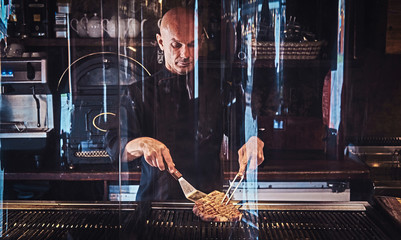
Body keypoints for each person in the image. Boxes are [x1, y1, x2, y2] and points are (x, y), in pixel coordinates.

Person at [106, 7, 264, 201]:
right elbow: (114, 147)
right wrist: (141, 144)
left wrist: (252, 142)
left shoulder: (219, 90)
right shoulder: (137, 93)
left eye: (192, 44)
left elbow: (244, 130)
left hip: (209, 200)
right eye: (176, 45)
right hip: (156, 204)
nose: (185, 54)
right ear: (161, 42)